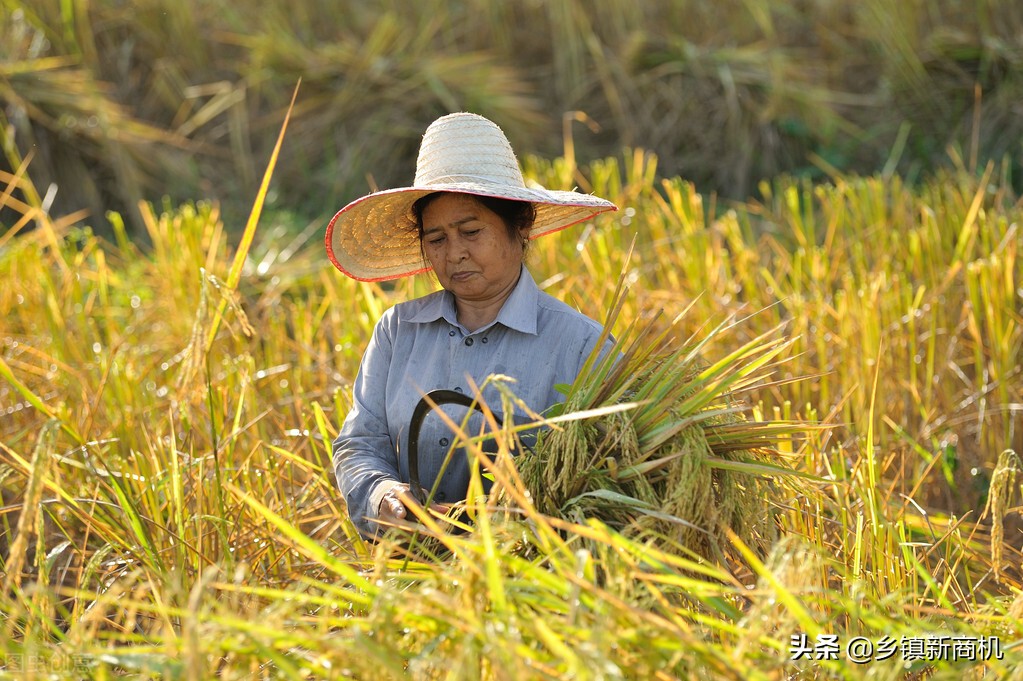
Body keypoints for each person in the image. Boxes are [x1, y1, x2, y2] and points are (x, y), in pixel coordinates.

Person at [326, 112, 617, 538]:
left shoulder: (580, 345)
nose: (454, 253)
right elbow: (359, 443)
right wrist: (384, 496)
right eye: (437, 239)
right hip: (411, 578)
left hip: (535, 586)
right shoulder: (397, 331)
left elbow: (613, 475)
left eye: (471, 231)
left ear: (521, 226)